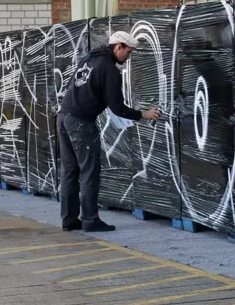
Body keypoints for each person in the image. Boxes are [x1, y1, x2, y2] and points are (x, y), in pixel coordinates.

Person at [57, 31, 161, 232]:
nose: (128, 57)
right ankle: (90, 220)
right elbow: (117, 108)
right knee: (89, 171)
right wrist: (144, 114)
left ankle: (69, 219)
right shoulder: (109, 69)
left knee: (70, 171)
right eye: (128, 52)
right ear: (119, 47)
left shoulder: (89, 59)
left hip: (64, 117)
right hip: (81, 122)